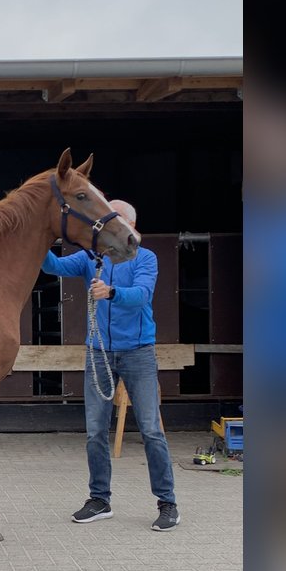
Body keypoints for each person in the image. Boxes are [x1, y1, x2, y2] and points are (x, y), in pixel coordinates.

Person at [41, 200, 180, 531]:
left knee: (150, 429)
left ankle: (168, 502)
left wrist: (111, 291)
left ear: (128, 226)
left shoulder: (146, 258)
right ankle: (99, 499)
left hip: (138, 353)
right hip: (99, 352)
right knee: (95, 431)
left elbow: (142, 295)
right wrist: (41, 237)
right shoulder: (92, 257)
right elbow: (53, 267)